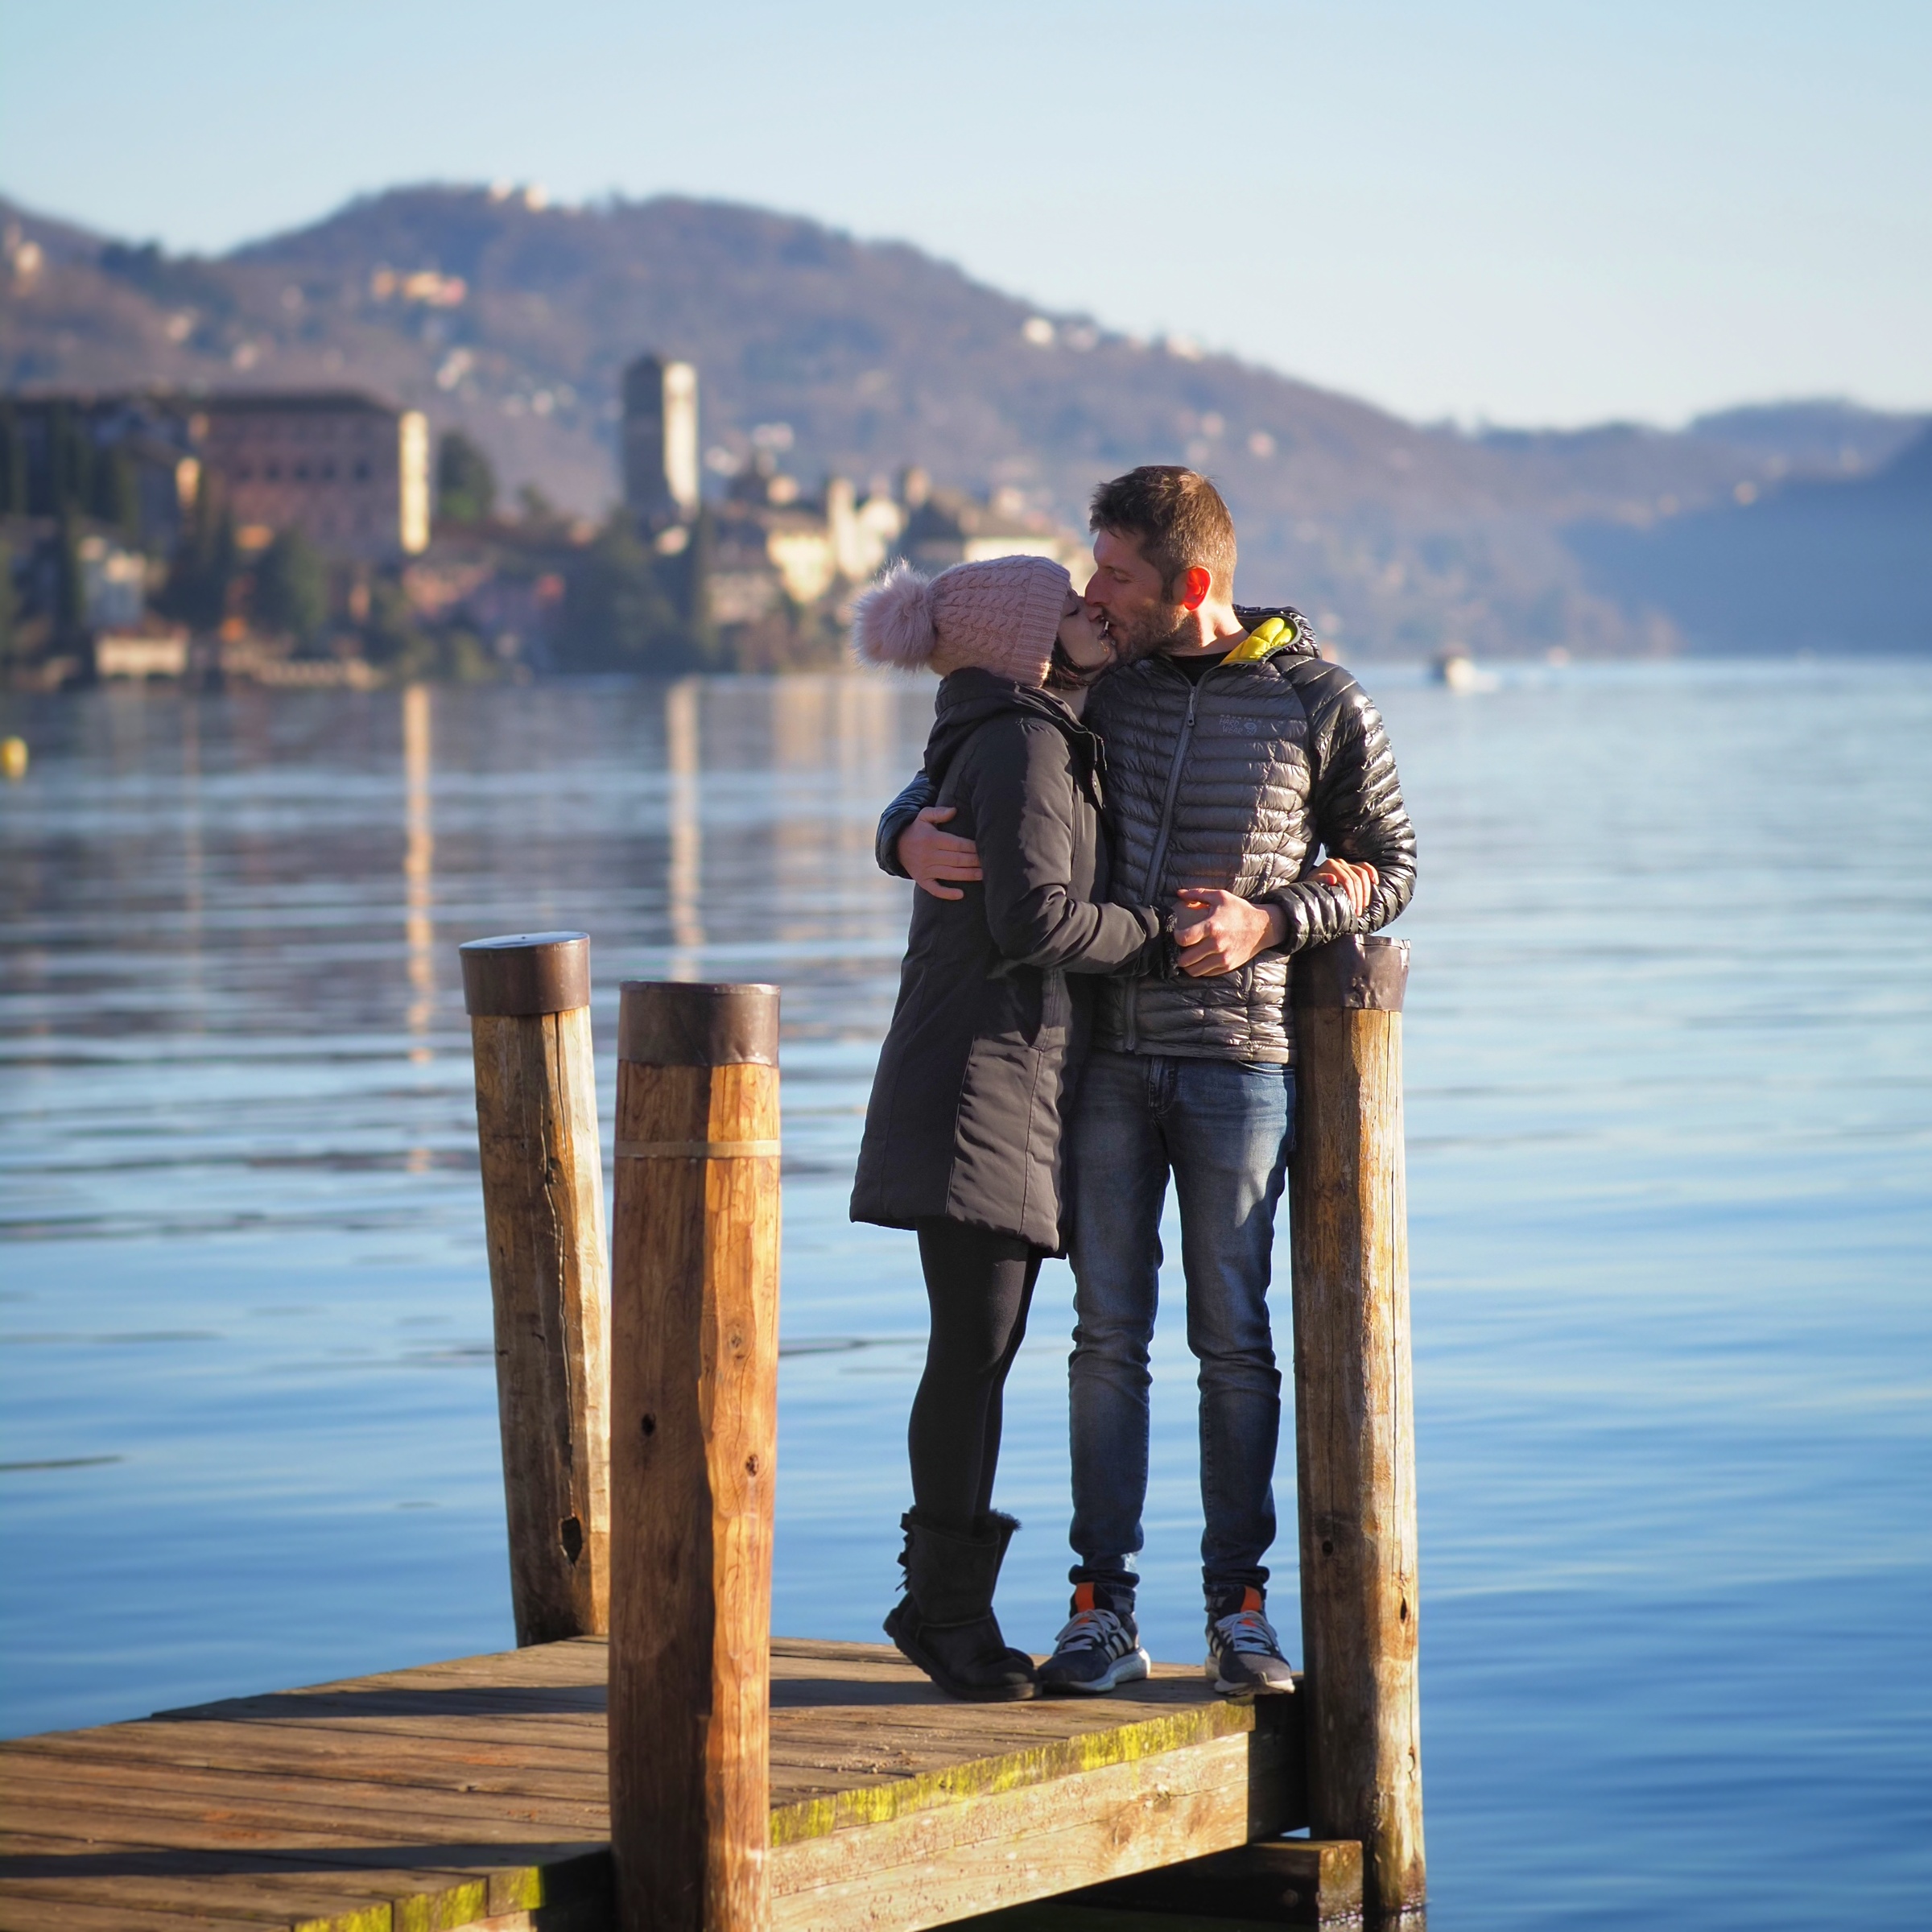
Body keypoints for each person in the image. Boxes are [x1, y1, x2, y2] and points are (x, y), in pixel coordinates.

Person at [877, 468, 1417, 1697]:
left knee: (1234, 1341)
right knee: (1105, 1340)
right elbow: (962, 757)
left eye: (1117, 574)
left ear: (1193, 585)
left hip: (1240, 1060)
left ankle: (1238, 1610)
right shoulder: (1094, 678)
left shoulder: (1320, 699)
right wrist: (898, 834)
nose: (1094, 594)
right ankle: (1099, 1608)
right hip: (1102, 1058)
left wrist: (1271, 921)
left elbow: (1387, 865)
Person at [849, 550, 1177, 1702]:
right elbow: (1036, 917)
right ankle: (943, 1616)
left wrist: (892, 836)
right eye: (1067, 603)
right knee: (971, 1356)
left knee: (973, 1355)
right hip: (982, 1079)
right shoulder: (1025, 737)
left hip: (992, 1076)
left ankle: (943, 1604)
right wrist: (1155, 935)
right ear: (1027, 641)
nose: (1093, 609)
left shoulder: (1012, 720)